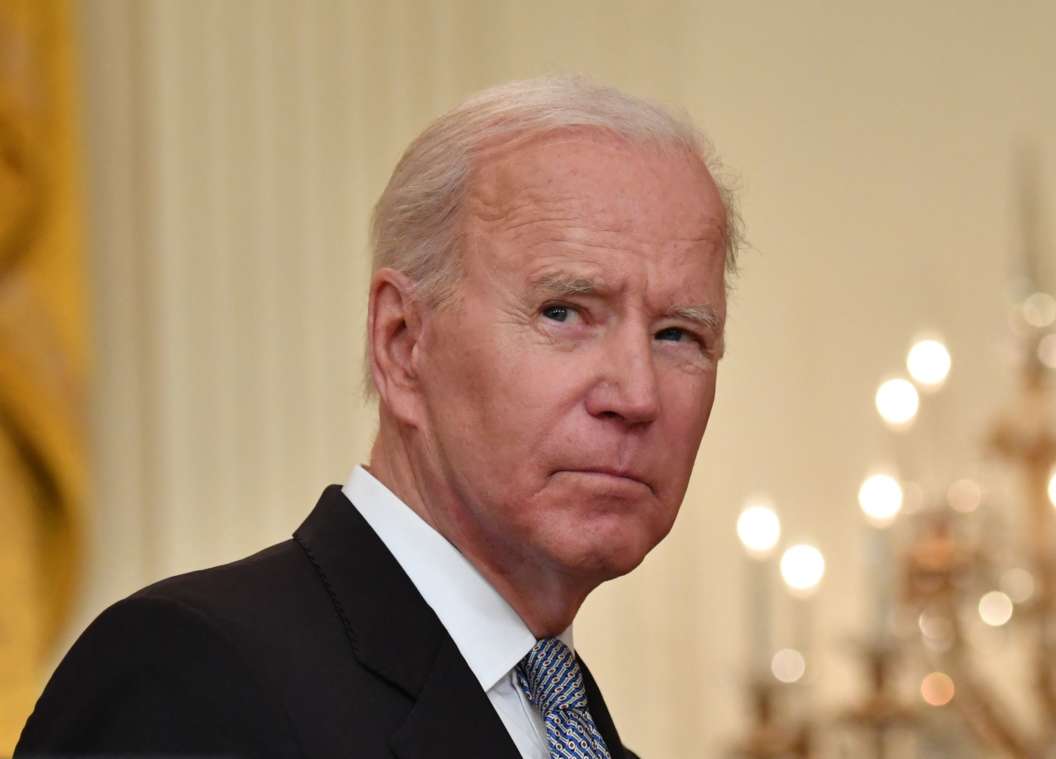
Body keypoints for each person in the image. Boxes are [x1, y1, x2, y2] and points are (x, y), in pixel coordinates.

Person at [17, 75, 741, 758]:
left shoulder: (572, 727)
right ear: (402, 343)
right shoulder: (184, 677)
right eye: (565, 312)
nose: (637, 395)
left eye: (679, 333)